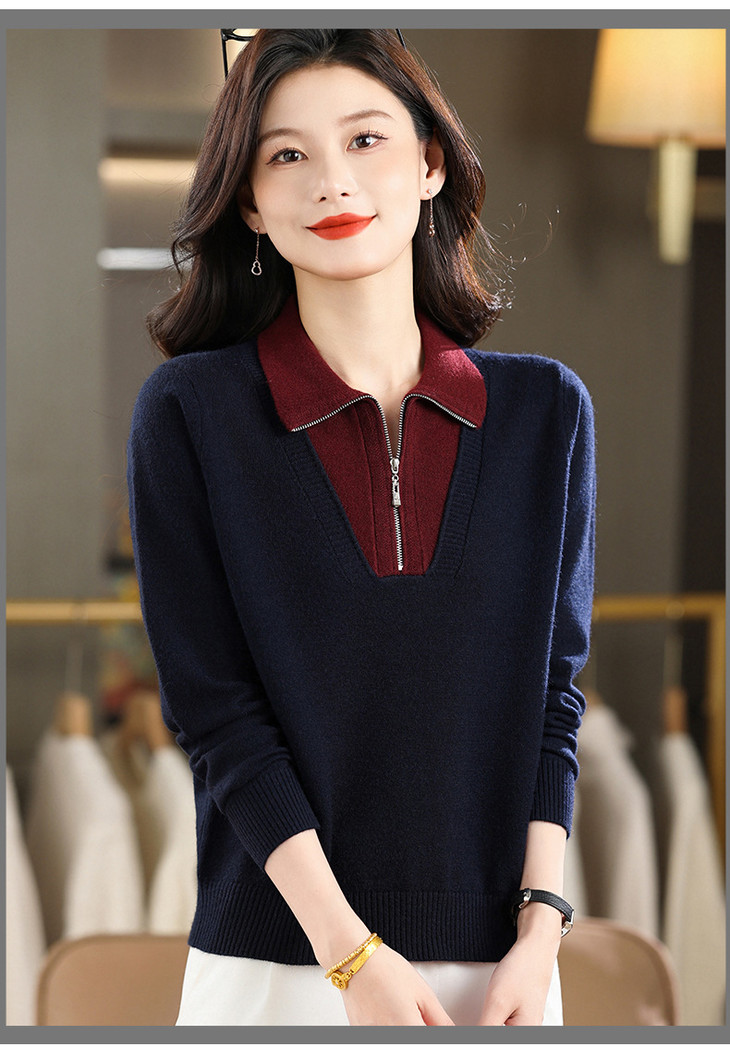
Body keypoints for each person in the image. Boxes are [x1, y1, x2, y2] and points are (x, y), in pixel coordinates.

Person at [126, 28, 596, 1027]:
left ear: (431, 164)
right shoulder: (189, 414)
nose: (331, 181)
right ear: (249, 201)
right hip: (280, 969)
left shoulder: (547, 412)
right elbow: (217, 716)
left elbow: (552, 699)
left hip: (505, 977)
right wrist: (350, 955)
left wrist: (540, 934)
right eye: (286, 154)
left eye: (366, 140)